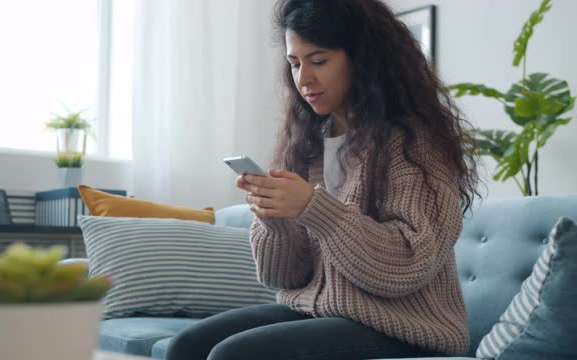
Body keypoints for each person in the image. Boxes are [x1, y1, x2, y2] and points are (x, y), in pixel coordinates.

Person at [165, 0, 482, 359]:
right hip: (319, 309)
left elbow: (407, 264)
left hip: (406, 327)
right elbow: (283, 278)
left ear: (363, 60)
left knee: (234, 355)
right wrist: (275, 222)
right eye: (294, 63)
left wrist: (313, 208)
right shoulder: (308, 141)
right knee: (185, 347)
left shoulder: (414, 142)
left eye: (318, 61)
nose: (303, 80)